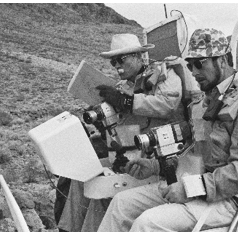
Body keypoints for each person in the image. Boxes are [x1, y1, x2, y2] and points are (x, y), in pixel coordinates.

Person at [97, 28, 238, 231]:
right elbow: (195, 155)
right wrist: (155, 166)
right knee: (121, 205)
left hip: (232, 199)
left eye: (200, 64)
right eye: (190, 65)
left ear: (223, 60)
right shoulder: (205, 103)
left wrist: (190, 188)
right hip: (197, 185)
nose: (193, 72)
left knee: (147, 223)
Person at [56, 33, 190, 232]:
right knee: (81, 177)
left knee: (103, 192)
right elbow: (123, 129)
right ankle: (69, 229)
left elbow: (167, 105)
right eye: (113, 62)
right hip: (134, 158)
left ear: (138, 56)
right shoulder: (122, 87)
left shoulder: (164, 74)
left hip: (161, 163)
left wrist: (126, 102)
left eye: (121, 59)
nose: (117, 65)